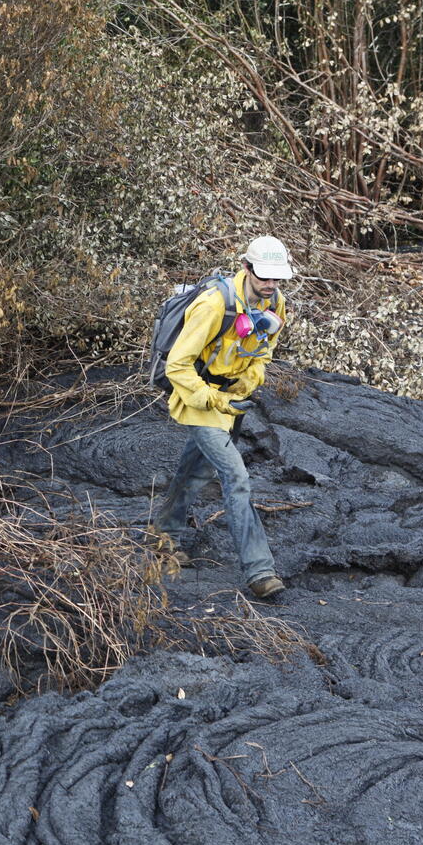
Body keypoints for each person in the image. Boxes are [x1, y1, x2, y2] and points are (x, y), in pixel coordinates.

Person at [150, 235, 293, 598]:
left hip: (231, 399)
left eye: (278, 278)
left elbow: (264, 353)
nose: (271, 284)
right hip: (198, 399)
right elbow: (178, 366)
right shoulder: (215, 306)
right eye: (265, 277)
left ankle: (163, 535)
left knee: (195, 469)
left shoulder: (276, 303)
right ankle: (261, 572)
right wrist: (212, 399)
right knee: (236, 476)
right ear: (245, 267)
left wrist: (247, 382)